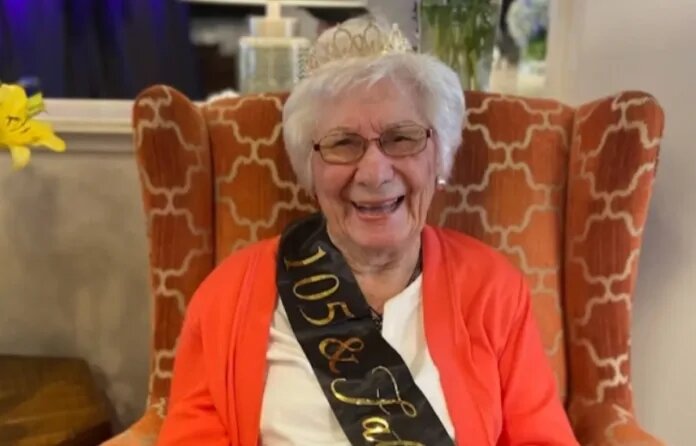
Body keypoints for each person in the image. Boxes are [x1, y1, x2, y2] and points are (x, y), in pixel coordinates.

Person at [156, 17, 578, 446]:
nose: (375, 173)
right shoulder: (229, 295)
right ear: (310, 172)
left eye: (401, 138)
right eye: (343, 143)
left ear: (439, 158)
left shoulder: (492, 289)